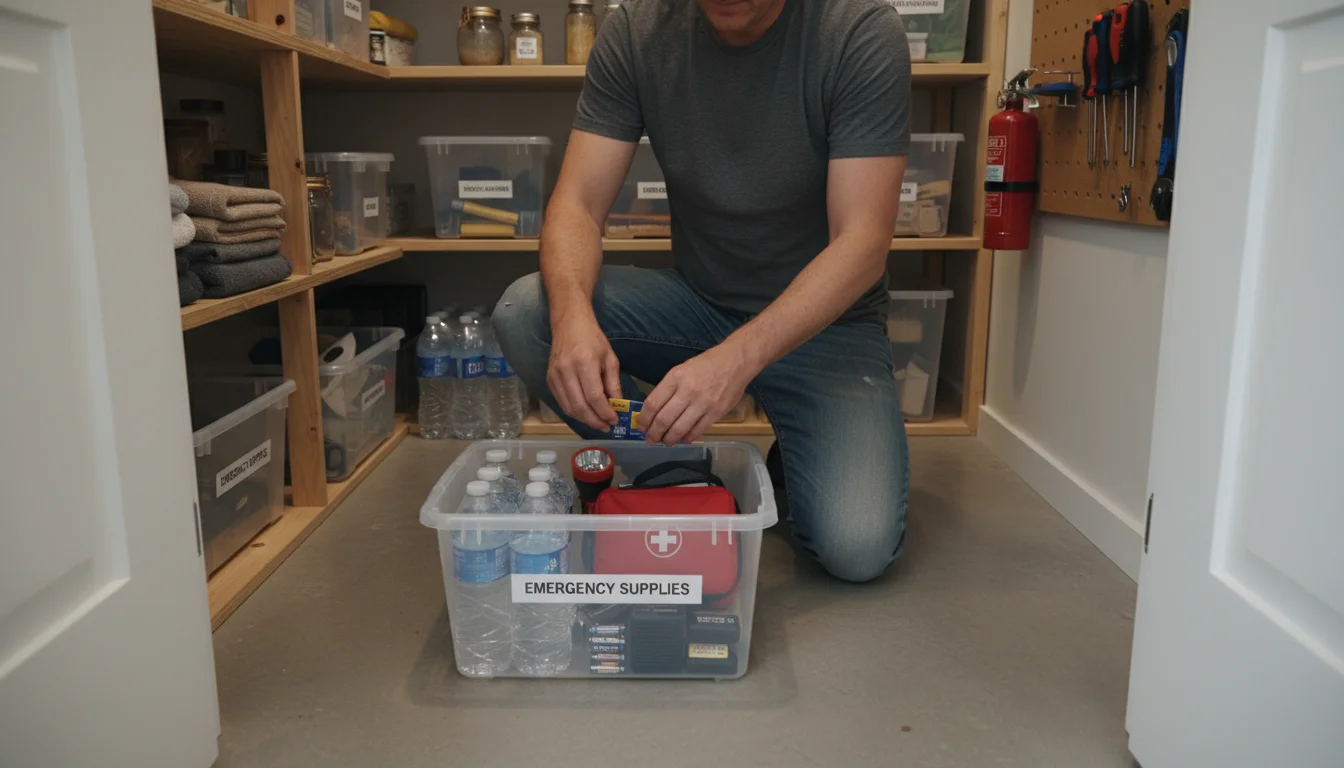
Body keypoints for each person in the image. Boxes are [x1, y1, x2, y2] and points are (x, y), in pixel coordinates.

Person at [493, 0, 912, 583]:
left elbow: (862, 243)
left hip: (827, 328)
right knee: (528, 312)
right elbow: (578, 204)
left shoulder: (858, 29)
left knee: (857, 549)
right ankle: (672, 472)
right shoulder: (638, 29)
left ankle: (795, 459)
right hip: (699, 306)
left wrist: (736, 360)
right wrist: (572, 320)